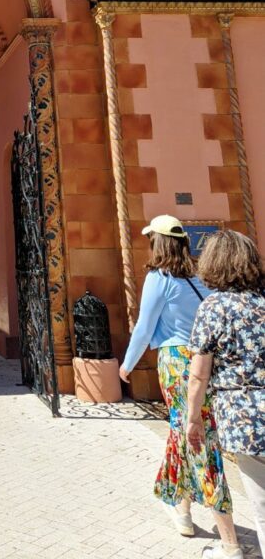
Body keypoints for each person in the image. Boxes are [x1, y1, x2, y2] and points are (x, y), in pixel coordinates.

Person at [119, 215, 234, 542]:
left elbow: (144, 326)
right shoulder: (200, 277)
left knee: (189, 431)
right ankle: (181, 509)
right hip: (205, 360)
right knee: (187, 427)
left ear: (157, 242)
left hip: (176, 362)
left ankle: (206, 517)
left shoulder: (160, 277)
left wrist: (127, 364)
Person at [188, 229, 265, 559]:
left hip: (244, 415)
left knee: (261, 499)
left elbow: (198, 374)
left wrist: (192, 420)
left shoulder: (213, 307)